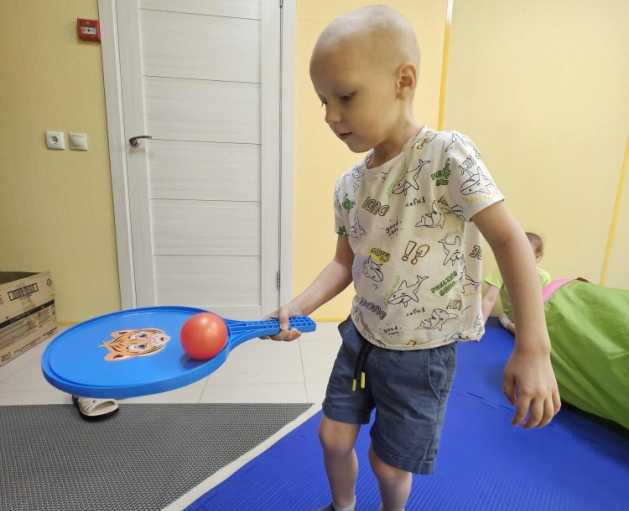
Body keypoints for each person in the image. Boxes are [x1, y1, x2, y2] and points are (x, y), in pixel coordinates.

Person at [264, 6, 561, 511]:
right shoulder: (349, 185)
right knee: (332, 437)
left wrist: (534, 347)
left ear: (403, 81)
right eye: (323, 101)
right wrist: (299, 305)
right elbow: (343, 263)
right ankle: (342, 506)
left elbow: (511, 241)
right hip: (361, 338)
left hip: (422, 354)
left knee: (388, 464)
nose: (331, 116)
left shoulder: (447, 156)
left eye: (345, 96)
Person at [482, 232, 552, 334]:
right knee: (507, 320)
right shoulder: (502, 270)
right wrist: (480, 326)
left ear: (537, 257)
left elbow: (543, 307)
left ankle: (507, 323)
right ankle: (508, 323)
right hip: (512, 318)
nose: (520, 259)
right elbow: (489, 299)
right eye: (516, 253)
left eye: (526, 255)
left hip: (532, 320)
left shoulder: (543, 277)